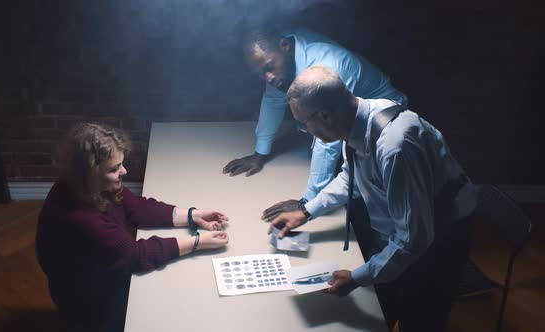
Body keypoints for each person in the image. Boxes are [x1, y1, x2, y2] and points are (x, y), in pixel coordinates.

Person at [269, 66, 476, 331]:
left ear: (324, 115)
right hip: (410, 227)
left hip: (443, 233)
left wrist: (357, 278)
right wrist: (306, 211)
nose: (305, 130)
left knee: (422, 318)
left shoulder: (394, 147)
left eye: (303, 123)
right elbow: (351, 177)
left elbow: (413, 239)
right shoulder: (356, 119)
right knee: (389, 300)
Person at [36, 123, 229, 332]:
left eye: (121, 164)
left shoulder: (92, 185)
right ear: (90, 173)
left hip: (102, 273)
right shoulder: (80, 218)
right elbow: (135, 255)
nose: (124, 171)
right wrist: (197, 242)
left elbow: (137, 208)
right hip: (91, 299)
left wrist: (193, 215)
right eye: (114, 168)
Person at [223, 26, 408, 218]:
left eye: (269, 68)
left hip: (383, 123)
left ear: (284, 46)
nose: (268, 78)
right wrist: (260, 153)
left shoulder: (330, 65)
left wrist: (307, 203)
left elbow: (329, 138)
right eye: (261, 74)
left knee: (382, 205)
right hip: (344, 126)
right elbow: (273, 99)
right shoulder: (281, 56)